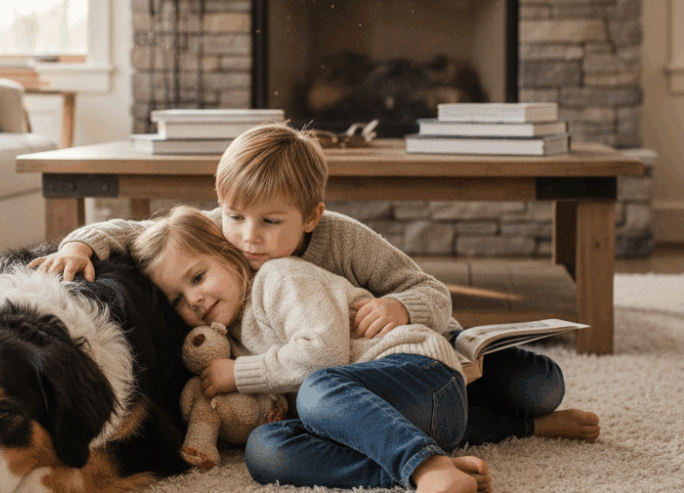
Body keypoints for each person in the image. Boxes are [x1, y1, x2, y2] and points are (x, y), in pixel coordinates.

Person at [29, 123, 600, 447]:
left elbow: (431, 291)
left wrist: (399, 307)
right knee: (350, 413)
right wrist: (82, 243)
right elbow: (139, 232)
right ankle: (514, 426)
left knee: (537, 384)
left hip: (409, 346)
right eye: (234, 216)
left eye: (269, 221)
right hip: (343, 375)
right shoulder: (220, 235)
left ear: (310, 215)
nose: (248, 237)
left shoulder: (342, 238)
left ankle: (499, 380)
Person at [131, 206, 489, 493]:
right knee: (265, 449)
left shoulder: (278, 278)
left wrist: (238, 374)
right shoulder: (226, 337)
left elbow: (322, 357)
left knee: (319, 388)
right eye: (177, 299)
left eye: (198, 277)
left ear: (227, 252)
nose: (193, 299)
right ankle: (412, 467)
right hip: (393, 421)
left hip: (418, 374)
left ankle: (432, 468)